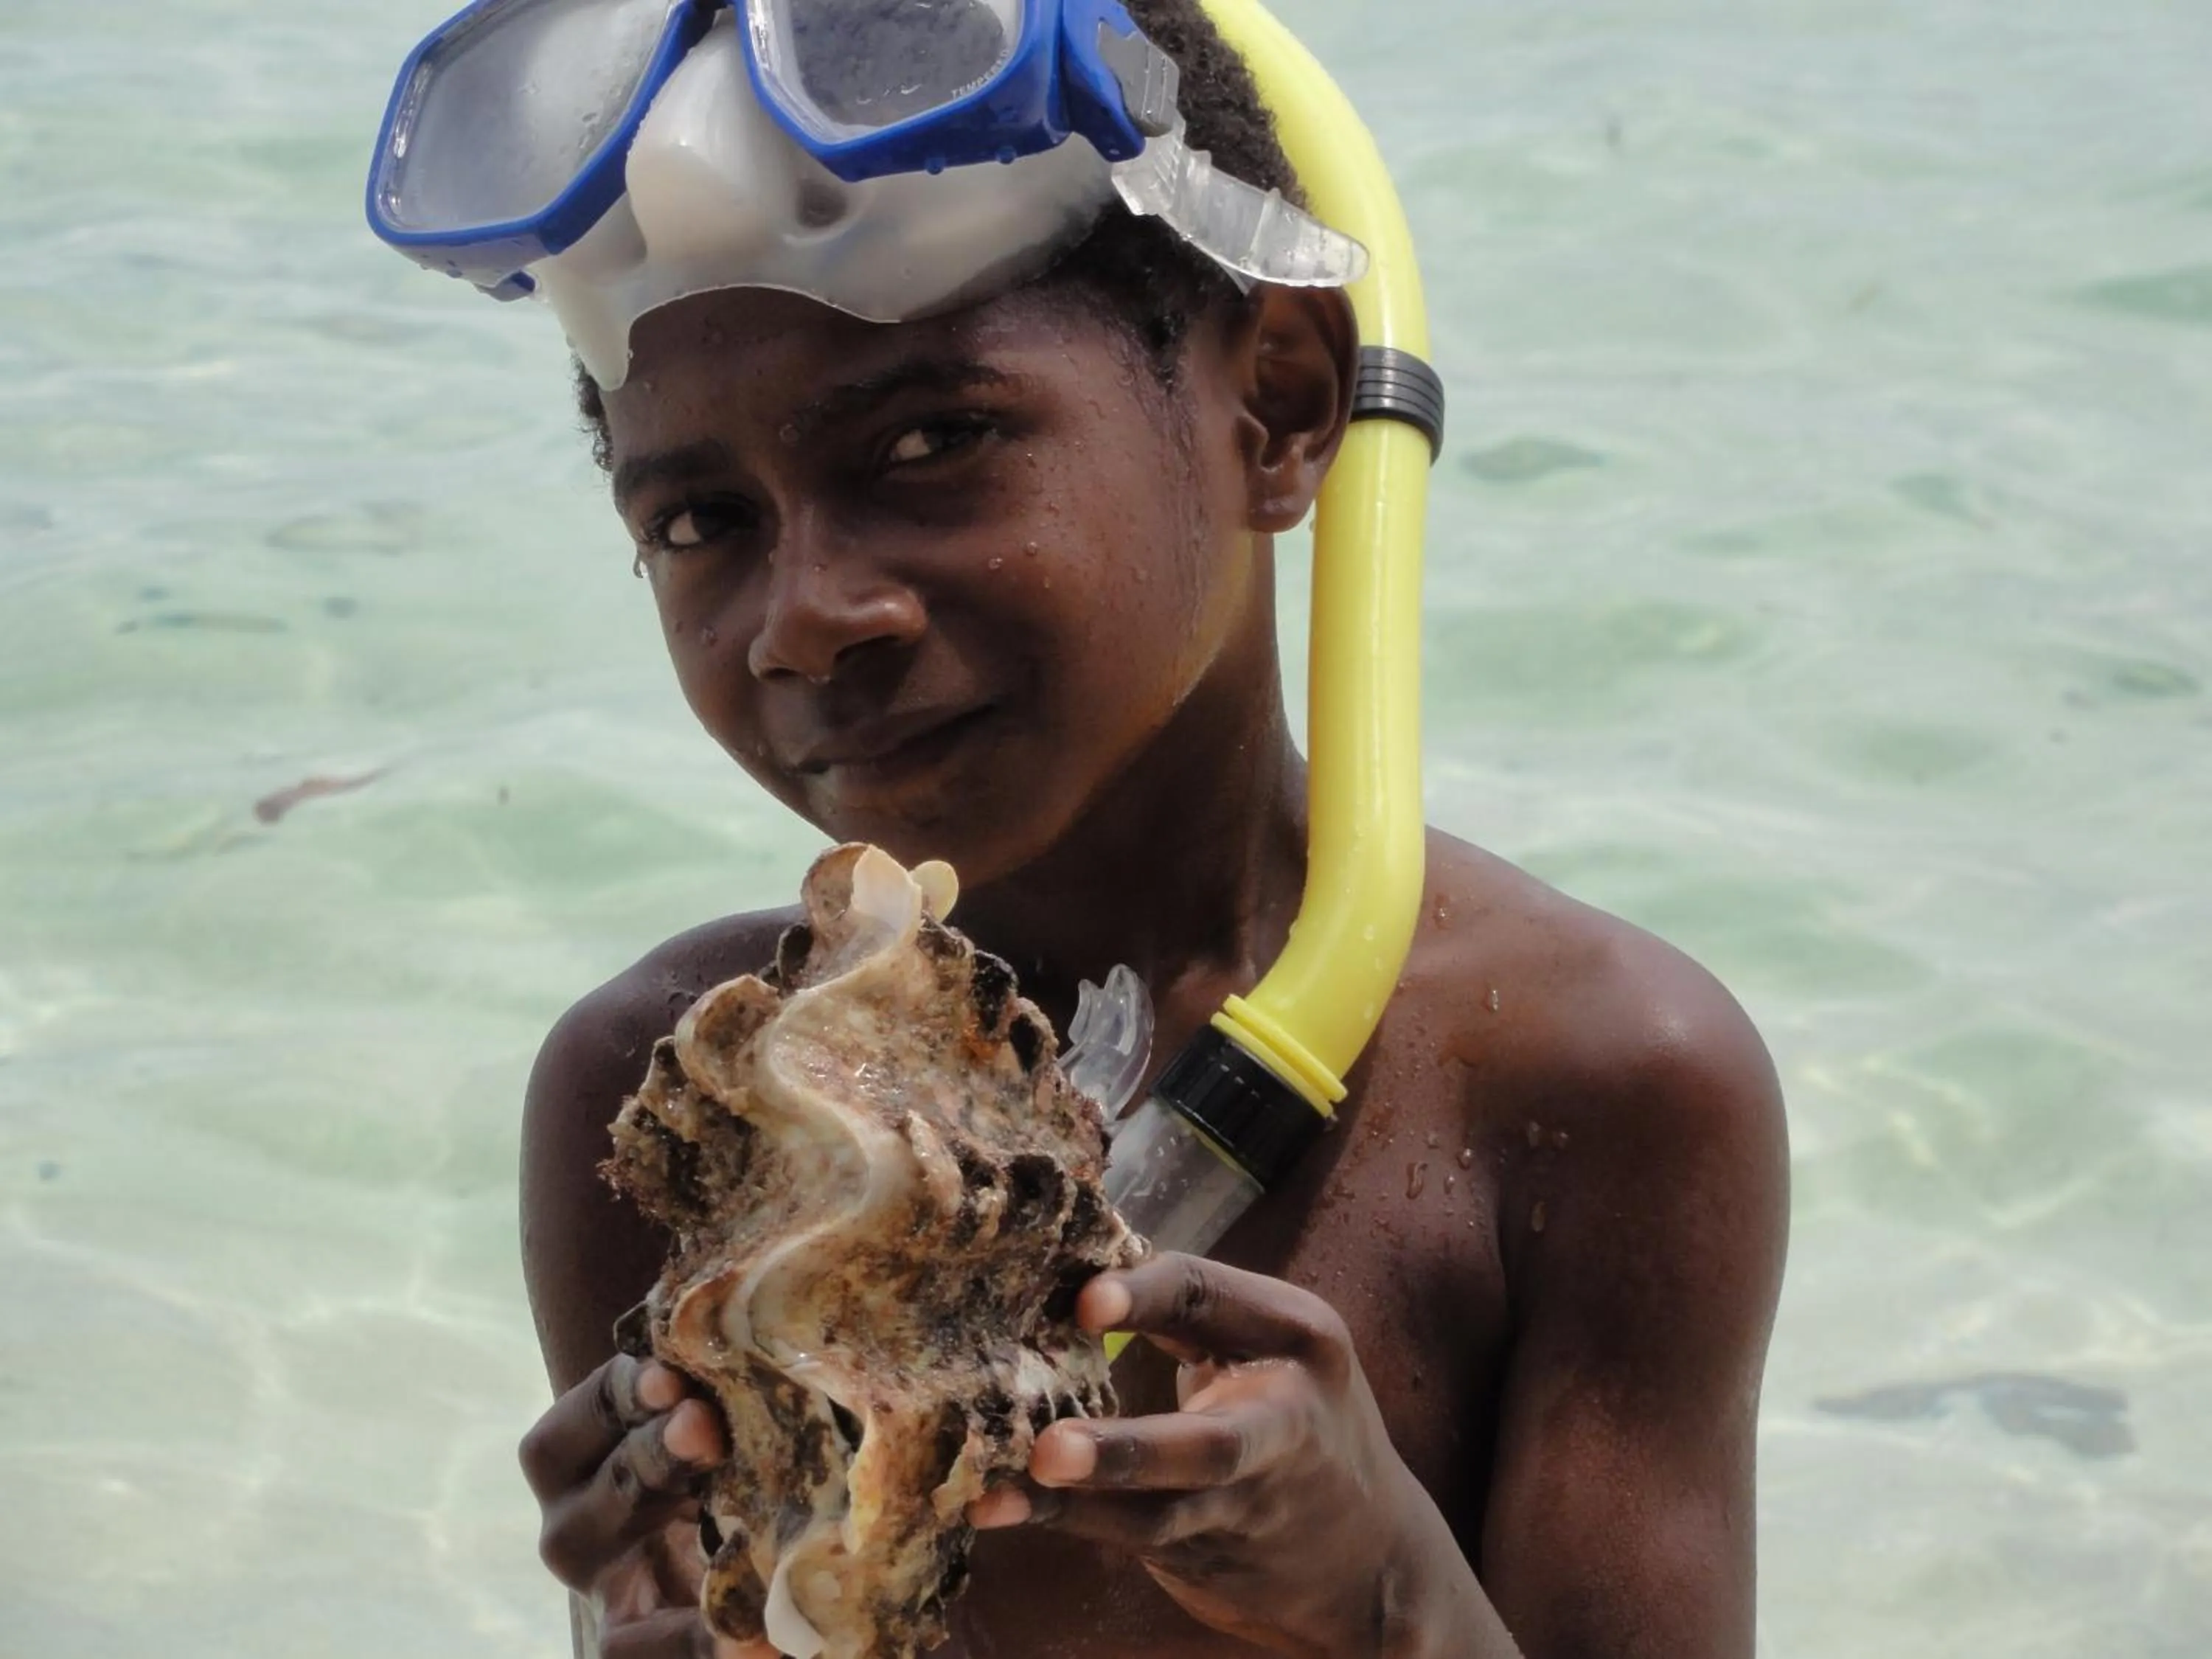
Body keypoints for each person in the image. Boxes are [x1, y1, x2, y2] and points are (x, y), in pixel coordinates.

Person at [369, 0, 1790, 1652]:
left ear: (1276, 406)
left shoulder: (1598, 1086)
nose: (804, 617)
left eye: (934, 439)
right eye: (699, 520)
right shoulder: (665, 1108)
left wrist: (1387, 1595)